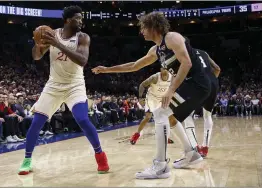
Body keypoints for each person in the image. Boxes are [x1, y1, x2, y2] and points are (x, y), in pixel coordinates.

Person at [92, 12, 209, 179]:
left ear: (154, 27)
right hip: (190, 85)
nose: (142, 32)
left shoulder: (172, 38)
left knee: (160, 112)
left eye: (143, 28)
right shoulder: (156, 49)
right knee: (169, 117)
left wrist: (170, 90)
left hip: (197, 84)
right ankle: (191, 154)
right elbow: (134, 66)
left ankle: (161, 166)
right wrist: (107, 69)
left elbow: (187, 63)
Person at [18, 5, 109, 175]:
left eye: (82, 18)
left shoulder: (83, 37)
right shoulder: (52, 34)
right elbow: (37, 57)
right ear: (68, 20)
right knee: (36, 122)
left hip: (75, 85)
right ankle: (27, 160)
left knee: (82, 119)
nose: (81, 21)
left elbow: (82, 60)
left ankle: (100, 155)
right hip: (54, 85)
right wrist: (37, 44)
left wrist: (58, 44)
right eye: (78, 18)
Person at [183, 49, 220, 158]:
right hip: (213, 82)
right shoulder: (204, 52)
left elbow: (186, 68)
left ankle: (195, 147)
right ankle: (205, 147)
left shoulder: (183, 52)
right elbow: (217, 69)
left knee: (187, 115)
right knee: (207, 115)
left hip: (199, 82)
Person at [130, 69, 174, 145]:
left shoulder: (172, 77)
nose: (165, 70)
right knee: (148, 117)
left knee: (168, 117)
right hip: (151, 98)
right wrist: (140, 98)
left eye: (166, 69)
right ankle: (136, 134)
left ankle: (165, 136)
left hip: (162, 99)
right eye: (163, 68)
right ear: (161, 69)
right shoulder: (155, 77)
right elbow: (142, 85)